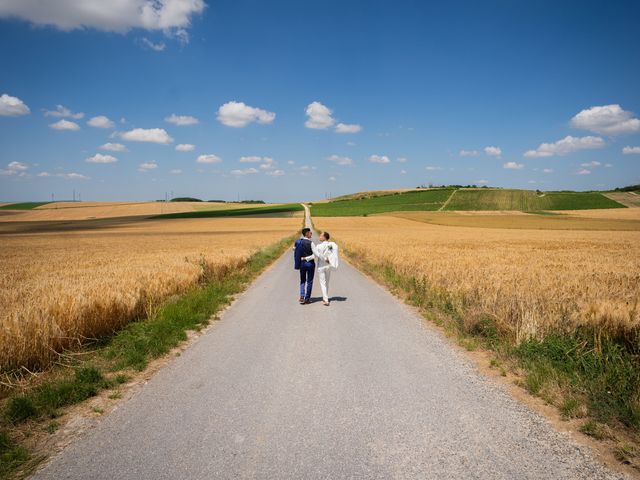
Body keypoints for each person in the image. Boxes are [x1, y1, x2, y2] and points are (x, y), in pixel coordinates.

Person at [303, 231, 339, 306]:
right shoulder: (331, 245)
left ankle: (326, 300)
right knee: (327, 282)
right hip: (328, 266)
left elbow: (314, 256)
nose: (319, 237)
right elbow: (333, 254)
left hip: (321, 267)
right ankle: (325, 298)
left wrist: (305, 258)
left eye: (320, 236)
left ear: (324, 237)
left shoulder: (319, 246)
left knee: (323, 283)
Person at [293, 227, 315, 304]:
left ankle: (302, 295)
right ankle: (307, 299)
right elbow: (315, 255)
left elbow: (294, 249)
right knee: (310, 281)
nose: (311, 233)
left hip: (302, 264)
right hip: (310, 264)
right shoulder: (311, 243)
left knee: (302, 280)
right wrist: (307, 258)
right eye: (310, 232)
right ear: (307, 234)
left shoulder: (298, 242)